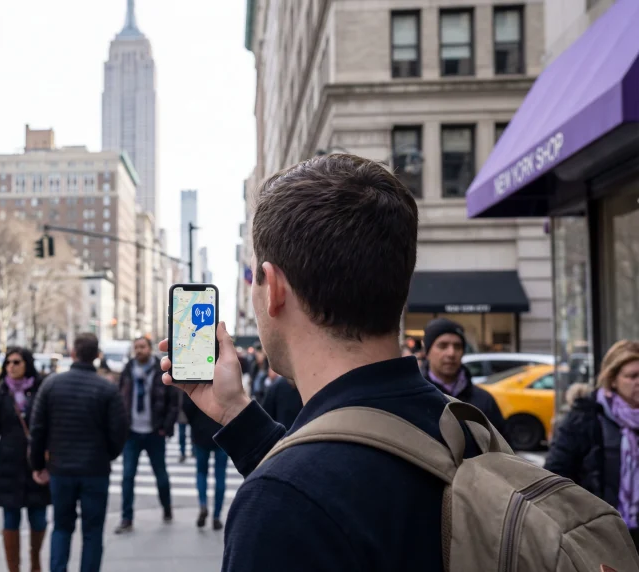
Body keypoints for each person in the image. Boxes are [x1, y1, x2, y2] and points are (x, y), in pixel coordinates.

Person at [155, 154, 471, 570]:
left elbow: (318, 489)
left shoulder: (280, 506)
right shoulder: (467, 427)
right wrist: (237, 414)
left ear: (275, 290)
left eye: (256, 278)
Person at [29, 333, 128, 572]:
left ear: (73, 353)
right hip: (95, 469)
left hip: (61, 468)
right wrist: (108, 454)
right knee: (93, 531)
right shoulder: (107, 389)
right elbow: (119, 431)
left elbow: (38, 428)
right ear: (96, 356)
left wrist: (37, 465)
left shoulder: (51, 384)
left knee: (61, 527)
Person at [546, 339, 639, 546]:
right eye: (632, 376)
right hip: (600, 536)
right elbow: (555, 477)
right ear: (612, 380)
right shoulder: (584, 419)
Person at [0, 347, 51, 572]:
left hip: (36, 462)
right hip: (8, 464)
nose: (11, 366)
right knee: (11, 519)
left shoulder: (40, 390)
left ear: (26, 364)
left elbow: (51, 426)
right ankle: (14, 568)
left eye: (16, 362)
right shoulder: (1, 393)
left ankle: (35, 561)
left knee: (38, 517)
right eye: (8, 362)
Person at [114, 337, 179, 533]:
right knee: (127, 476)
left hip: (154, 432)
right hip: (131, 432)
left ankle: (167, 507)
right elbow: (118, 398)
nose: (139, 350)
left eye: (142, 347)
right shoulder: (127, 370)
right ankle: (127, 518)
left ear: (150, 349)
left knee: (161, 475)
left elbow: (173, 401)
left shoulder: (162, 371)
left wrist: (165, 427)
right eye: (136, 347)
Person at [420, 318, 506, 436]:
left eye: (457, 346)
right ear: (427, 352)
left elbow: (502, 448)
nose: (451, 353)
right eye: (443, 346)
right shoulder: (415, 398)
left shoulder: (484, 400)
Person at [181, 393, 228, 530]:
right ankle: (217, 516)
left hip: (200, 430)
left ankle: (203, 504)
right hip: (222, 429)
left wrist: (194, 423)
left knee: (201, 472)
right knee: (220, 476)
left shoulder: (196, 374)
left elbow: (186, 404)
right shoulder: (224, 373)